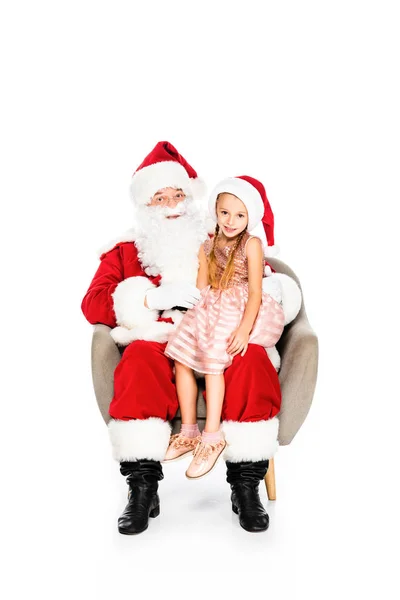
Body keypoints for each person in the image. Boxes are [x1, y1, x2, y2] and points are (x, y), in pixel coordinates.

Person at [81, 141, 302, 535]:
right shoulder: (124, 251)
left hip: (222, 330)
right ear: (144, 206)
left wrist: (271, 298)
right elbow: (93, 303)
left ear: (194, 198)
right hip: (164, 336)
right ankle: (142, 485)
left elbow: (263, 277)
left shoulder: (222, 234)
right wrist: (149, 298)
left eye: (179, 193)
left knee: (251, 359)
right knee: (139, 361)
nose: (172, 204)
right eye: (160, 197)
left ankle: (246, 482)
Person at [164, 176, 285, 483]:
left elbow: (256, 292)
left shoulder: (252, 244)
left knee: (214, 361)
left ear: (250, 218)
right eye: (225, 213)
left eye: (240, 215)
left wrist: (244, 330)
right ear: (215, 211)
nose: (231, 221)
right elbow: (202, 286)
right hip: (212, 304)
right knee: (181, 355)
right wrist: (196, 315)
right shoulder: (208, 244)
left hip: (240, 306)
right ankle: (189, 430)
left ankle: (212, 435)